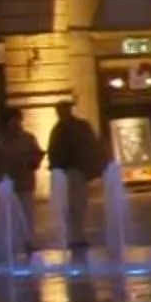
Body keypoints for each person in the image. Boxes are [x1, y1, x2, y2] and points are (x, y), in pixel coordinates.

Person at [44, 100, 107, 248]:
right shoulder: (60, 129)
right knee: (69, 206)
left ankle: (78, 235)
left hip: (77, 170)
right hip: (66, 171)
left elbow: (91, 145)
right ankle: (73, 236)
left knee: (78, 205)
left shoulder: (77, 127)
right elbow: (53, 150)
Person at [0, 107, 40, 225]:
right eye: (12, 120)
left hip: (24, 184)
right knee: (7, 218)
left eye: (17, 120)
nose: (15, 123)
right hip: (5, 184)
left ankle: (27, 241)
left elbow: (36, 157)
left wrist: (28, 163)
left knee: (26, 215)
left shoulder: (28, 138)